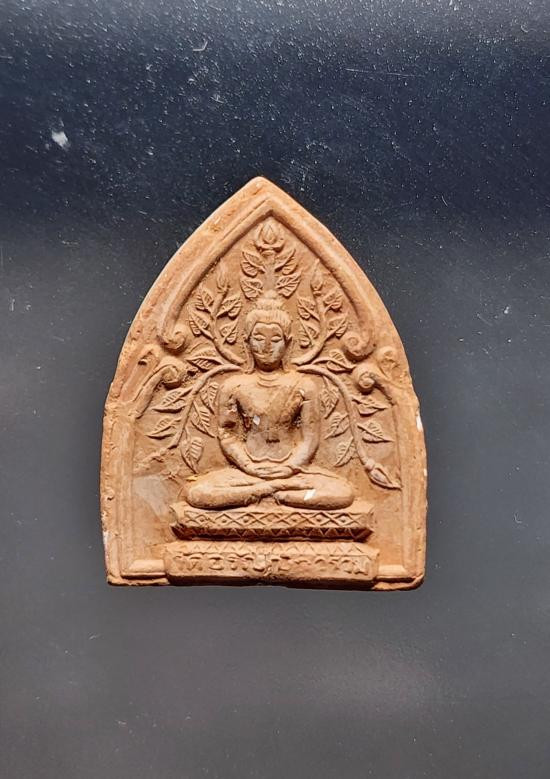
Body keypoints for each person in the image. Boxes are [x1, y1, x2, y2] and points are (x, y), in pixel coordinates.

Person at [184, 291, 354, 510]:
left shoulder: (303, 386)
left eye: (275, 339)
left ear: (287, 343)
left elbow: (309, 439)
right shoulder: (234, 386)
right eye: (258, 338)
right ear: (246, 341)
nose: (266, 346)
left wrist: (290, 467)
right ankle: (270, 492)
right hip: (247, 474)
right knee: (197, 493)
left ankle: (271, 493)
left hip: (292, 473)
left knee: (343, 493)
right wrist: (248, 465)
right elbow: (227, 434)